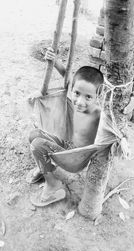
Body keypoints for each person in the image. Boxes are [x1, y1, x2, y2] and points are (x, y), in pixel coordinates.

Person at [28, 47, 104, 206]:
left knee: (37, 146)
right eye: (76, 94)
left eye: (88, 97)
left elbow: (113, 127)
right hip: (66, 146)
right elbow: (67, 75)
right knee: (33, 135)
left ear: (99, 94)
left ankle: (53, 185)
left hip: (75, 158)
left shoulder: (98, 115)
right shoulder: (75, 88)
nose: (80, 102)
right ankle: (45, 170)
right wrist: (54, 60)